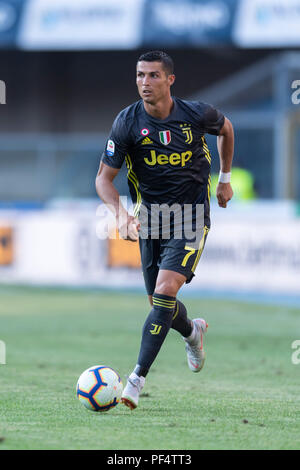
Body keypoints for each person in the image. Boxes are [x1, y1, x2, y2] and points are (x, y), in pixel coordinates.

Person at [96, 51, 234, 410]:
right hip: (151, 220)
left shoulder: (195, 114)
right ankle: (192, 332)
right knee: (160, 305)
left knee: (165, 290)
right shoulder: (126, 123)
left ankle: (135, 380)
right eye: (140, 75)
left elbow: (227, 128)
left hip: (190, 216)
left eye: (154, 76)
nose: (145, 82)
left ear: (170, 80)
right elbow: (103, 179)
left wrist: (225, 179)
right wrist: (121, 216)